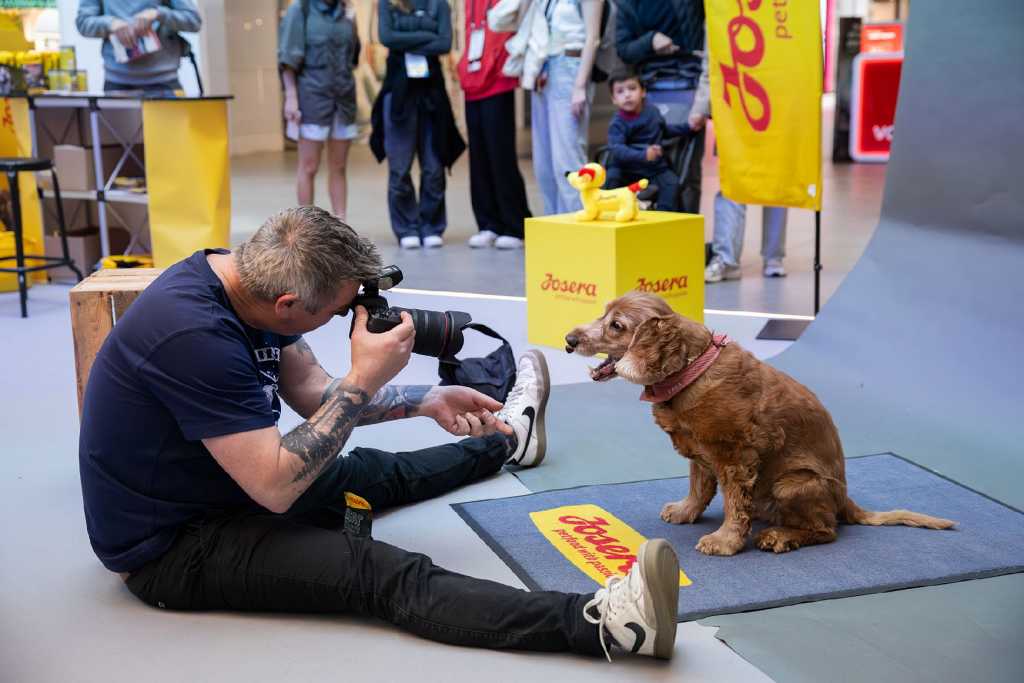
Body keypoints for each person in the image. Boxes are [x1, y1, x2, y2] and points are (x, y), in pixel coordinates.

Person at [78, 205, 682, 662]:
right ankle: (607, 625)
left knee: (371, 471)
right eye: (336, 311)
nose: (345, 319)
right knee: (380, 573)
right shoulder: (194, 336)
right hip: (175, 545)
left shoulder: (243, 278)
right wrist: (365, 376)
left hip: (224, 484)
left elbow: (311, 388)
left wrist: (426, 400)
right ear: (288, 303)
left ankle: (506, 440)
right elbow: (276, 487)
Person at [370, 0, 464, 250]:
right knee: (399, 168)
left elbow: (444, 43)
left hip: (432, 94)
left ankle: (431, 225)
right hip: (398, 95)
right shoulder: (387, 3)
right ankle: (407, 227)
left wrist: (405, 41)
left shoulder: (439, 4)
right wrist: (427, 36)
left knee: (434, 167)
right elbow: (387, 37)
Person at [615, 0, 706, 213]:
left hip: (690, 85)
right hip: (647, 89)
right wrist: (650, 41)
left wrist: (703, 102)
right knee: (644, 171)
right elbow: (623, 49)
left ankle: (684, 226)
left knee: (687, 170)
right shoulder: (629, 4)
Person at [458, 0, 532, 250]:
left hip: (497, 80)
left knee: (500, 155)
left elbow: (511, 28)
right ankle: (488, 223)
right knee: (478, 157)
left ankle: (514, 224)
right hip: (473, 80)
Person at [279, 0, 361, 219]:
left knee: (339, 166)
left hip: (343, 99)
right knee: (309, 166)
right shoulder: (300, 10)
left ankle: (342, 225)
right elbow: (288, 59)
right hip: (312, 98)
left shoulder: (347, 11)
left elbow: (353, 56)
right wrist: (291, 97)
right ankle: (306, 226)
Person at [531, 0, 601, 215]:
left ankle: (578, 226)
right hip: (542, 68)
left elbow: (593, 38)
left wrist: (579, 85)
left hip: (570, 67)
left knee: (567, 159)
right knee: (544, 164)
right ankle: (553, 224)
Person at [604, 68, 692, 212]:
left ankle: (664, 216)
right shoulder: (617, 123)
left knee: (671, 183)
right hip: (625, 167)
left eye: (632, 88)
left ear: (643, 91)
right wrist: (644, 154)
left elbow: (663, 131)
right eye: (620, 91)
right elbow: (617, 149)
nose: (627, 95)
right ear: (614, 99)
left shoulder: (652, 112)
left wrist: (688, 127)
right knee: (611, 181)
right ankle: (612, 214)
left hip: (653, 167)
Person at [76, 0, 201, 95]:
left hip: (164, 82)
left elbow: (193, 20)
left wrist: (158, 14)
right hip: (117, 82)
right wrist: (110, 24)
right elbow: (83, 22)